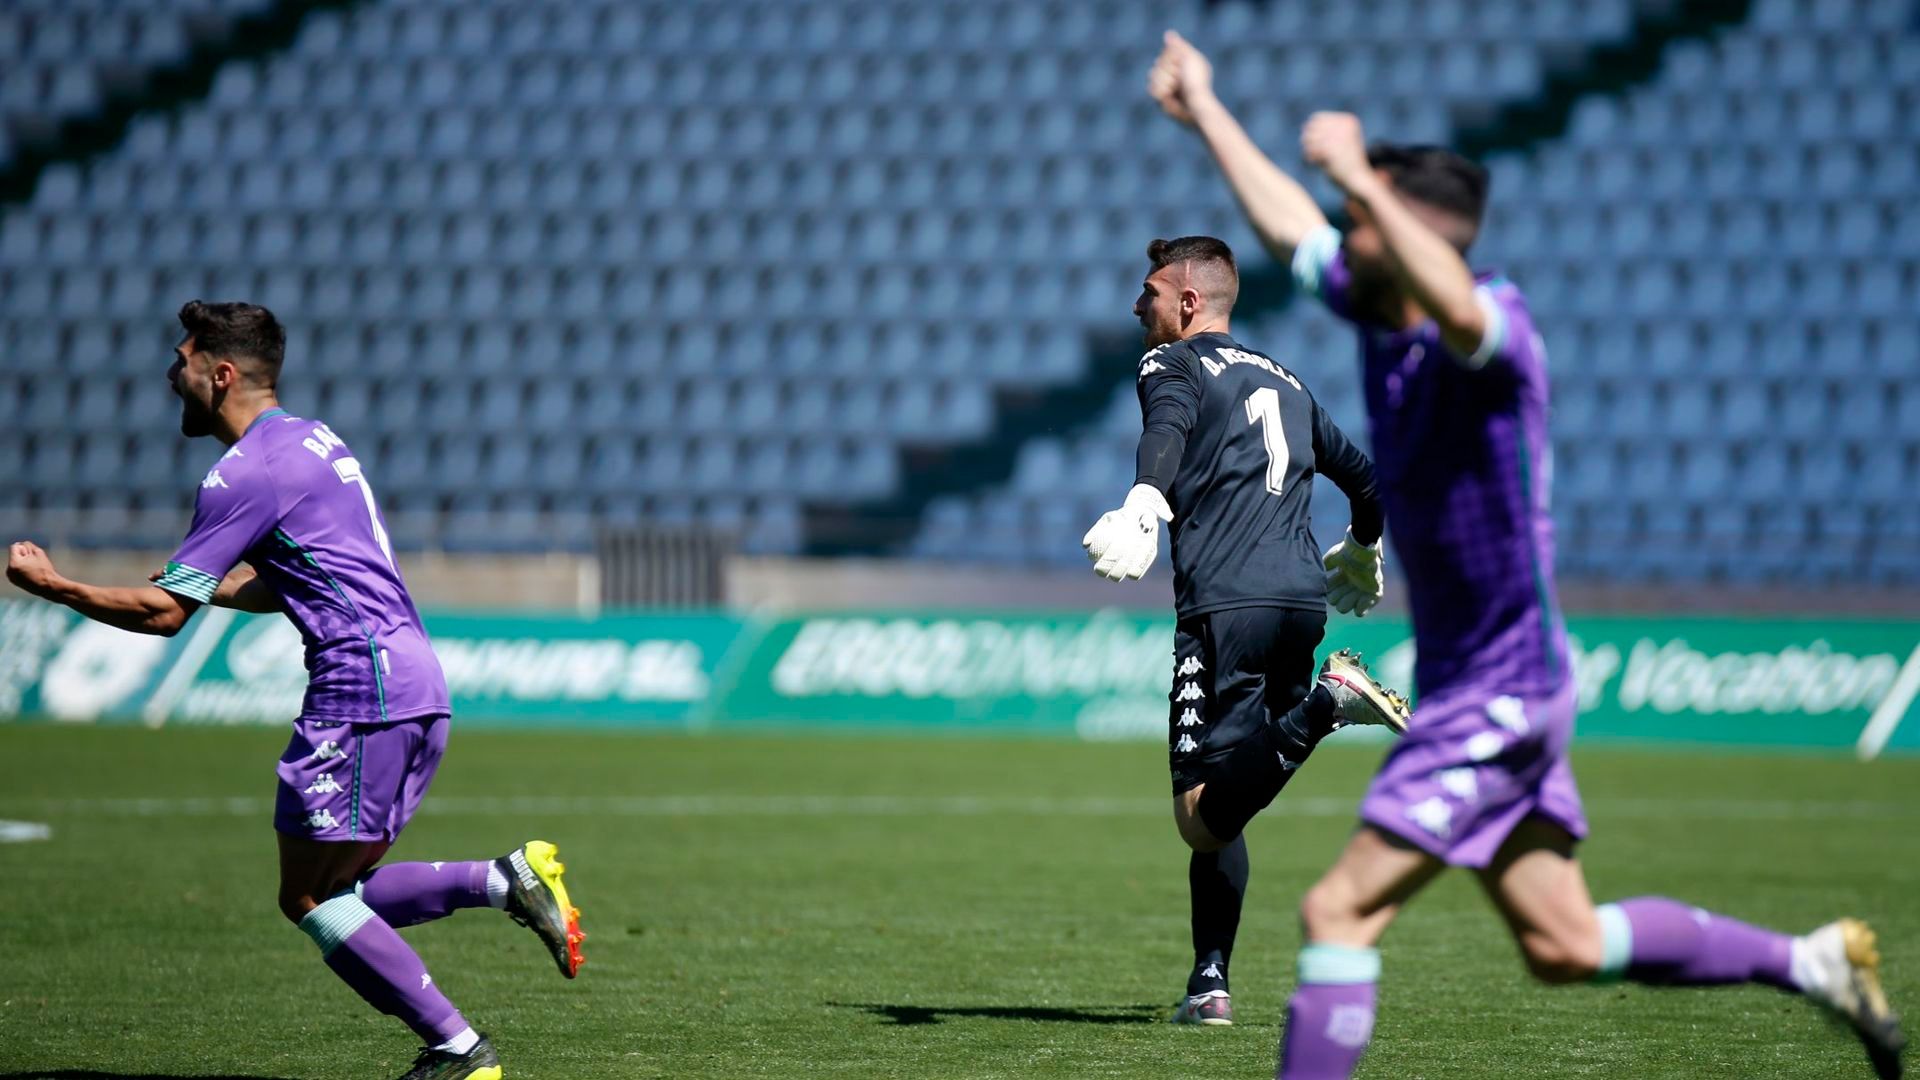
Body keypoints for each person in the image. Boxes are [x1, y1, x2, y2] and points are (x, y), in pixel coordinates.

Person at [1147, 31, 1904, 1078]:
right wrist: (1208, 112)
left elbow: (1454, 302)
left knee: (1339, 908)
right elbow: (1289, 229)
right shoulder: (1379, 314)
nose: (1338, 246)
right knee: (1564, 944)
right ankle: (1814, 963)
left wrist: (1362, 174)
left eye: (1360, 230)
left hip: (1499, 688)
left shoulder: (1498, 327)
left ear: (1408, 236)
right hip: (1499, 684)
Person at [5, 301, 587, 1080]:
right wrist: (209, 585)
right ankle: (501, 880)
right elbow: (298, 578)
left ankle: (458, 1049)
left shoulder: (242, 472)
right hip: (413, 679)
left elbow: (162, 616)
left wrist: (52, 585)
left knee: (312, 899)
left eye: (181, 361)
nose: (171, 376)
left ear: (220, 373)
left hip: (360, 693)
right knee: (336, 889)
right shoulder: (315, 441)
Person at [1082, 235, 1411, 1026]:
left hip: (1223, 605)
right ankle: (1209, 982)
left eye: (1150, 290)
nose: (1138, 304)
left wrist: (1145, 500)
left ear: (1189, 301)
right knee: (1227, 799)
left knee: (1199, 812)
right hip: (1298, 603)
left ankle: (1330, 703)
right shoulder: (1286, 379)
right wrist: (1364, 547)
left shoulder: (1174, 365)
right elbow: (1367, 478)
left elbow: (1165, 424)